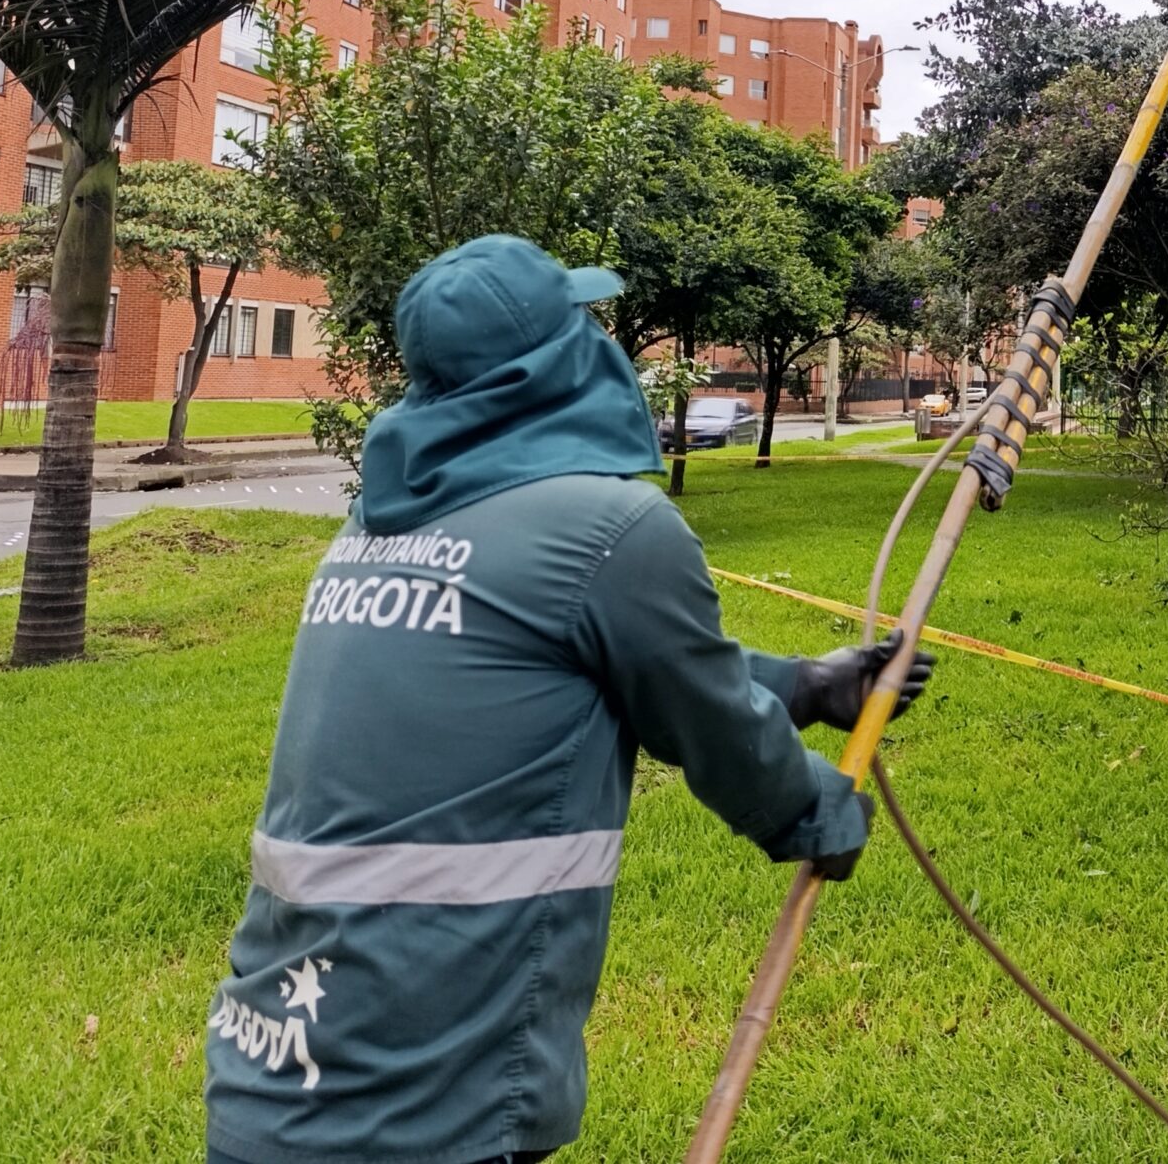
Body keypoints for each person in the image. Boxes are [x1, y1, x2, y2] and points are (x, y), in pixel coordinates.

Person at [204, 235, 932, 1164]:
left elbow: (578, 651)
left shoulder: (384, 524)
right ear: (553, 363)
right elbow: (711, 728)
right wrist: (816, 810)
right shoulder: (613, 526)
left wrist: (803, 683)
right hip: (430, 1099)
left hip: (272, 1077)